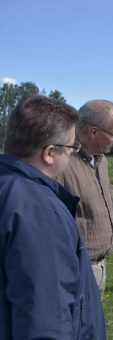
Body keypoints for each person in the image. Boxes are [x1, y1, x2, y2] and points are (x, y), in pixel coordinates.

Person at [0, 96, 105, 339]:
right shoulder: (39, 210)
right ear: (49, 153)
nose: (73, 154)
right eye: (72, 148)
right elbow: (45, 316)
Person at [56, 99, 113, 296]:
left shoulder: (102, 162)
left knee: (91, 324)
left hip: (100, 265)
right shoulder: (63, 163)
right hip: (74, 269)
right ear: (93, 132)